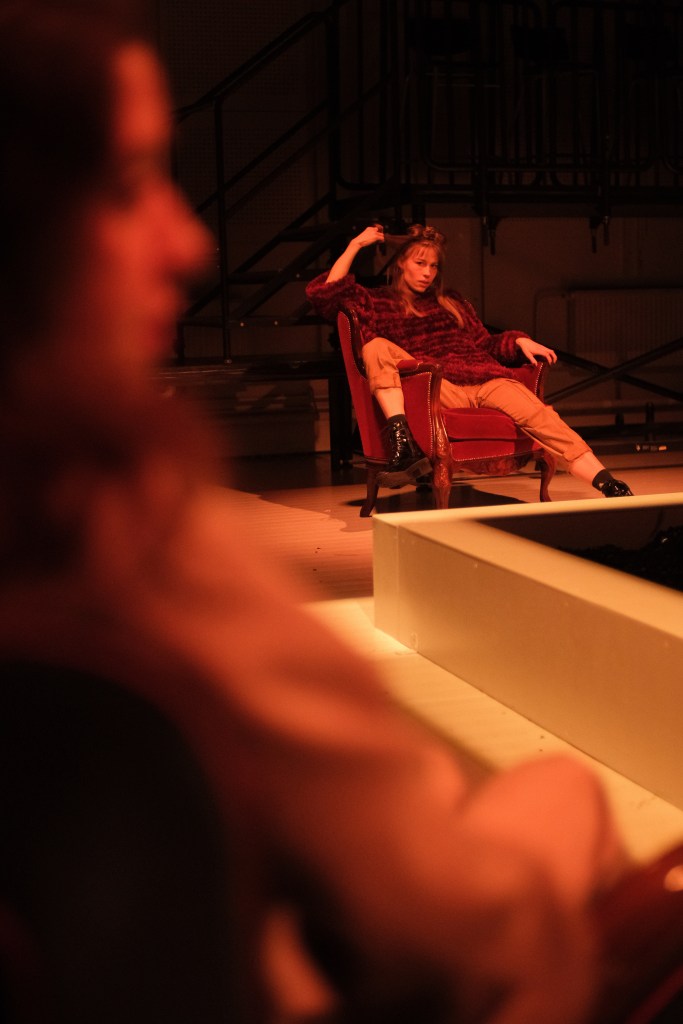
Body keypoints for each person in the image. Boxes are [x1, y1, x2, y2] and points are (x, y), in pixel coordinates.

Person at [0, 3, 633, 1023]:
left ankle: (591, 473)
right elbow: (451, 921)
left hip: (470, 377)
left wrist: (512, 344)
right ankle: (402, 446)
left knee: (520, 402)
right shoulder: (140, 556)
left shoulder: (455, 308)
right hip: (401, 952)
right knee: (563, 792)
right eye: (128, 184)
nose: (188, 242)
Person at [306, 223, 634, 497]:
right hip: (438, 386)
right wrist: (355, 245)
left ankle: (607, 483)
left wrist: (518, 340)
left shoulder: (451, 302)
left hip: (485, 380)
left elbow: (485, 343)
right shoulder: (378, 302)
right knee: (376, 347)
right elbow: (326, 296)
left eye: (434, 266)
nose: (428, 273)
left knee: (542, 416)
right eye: (420, 263)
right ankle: (402, 441)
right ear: (401, 263)